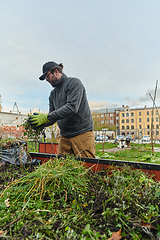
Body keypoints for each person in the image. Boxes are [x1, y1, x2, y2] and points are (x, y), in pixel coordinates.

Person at [30, 61, 95, 158]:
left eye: (47, 76)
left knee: (87, 167)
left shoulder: (74, 83)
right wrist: (40, 124)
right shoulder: (53, 94)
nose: (47, 80)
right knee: (63, 168)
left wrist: (48, 117)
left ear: (56, 71)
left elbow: (72, 107)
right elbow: (53, 117)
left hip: (82, 134)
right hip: (64, 137)